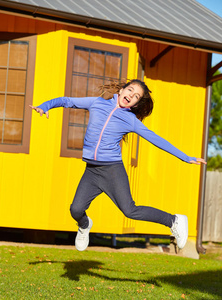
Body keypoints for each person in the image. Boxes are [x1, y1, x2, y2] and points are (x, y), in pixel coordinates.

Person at [30, 79, 206, 251]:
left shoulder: (130, 120)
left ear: (136, 104)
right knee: (76, 210)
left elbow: (155, 139)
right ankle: (85, 225)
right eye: (130, 90)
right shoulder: (96, 103)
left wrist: (184, 157)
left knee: (130, 211)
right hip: (91, 171)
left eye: (136, 96)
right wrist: (45, 106)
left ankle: (174, 221)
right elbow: (66, 101)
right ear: (121, 90)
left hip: (112, 170)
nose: (132, 95)